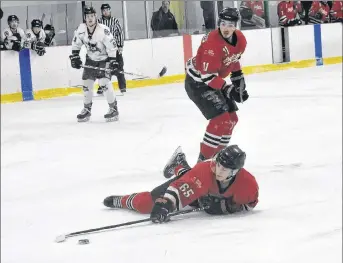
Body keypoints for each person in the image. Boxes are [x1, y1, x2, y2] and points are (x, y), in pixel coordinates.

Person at [103, 145, 259, 222]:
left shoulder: (248, 185)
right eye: (218, 164)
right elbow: (182, 187)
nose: (218, 170)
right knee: (146, 204)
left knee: (192, 178)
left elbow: (249, 204)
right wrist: (166, 204)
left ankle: (178, 164)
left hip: (201, 190)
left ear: (235, 172)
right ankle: (121, 200)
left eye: (224, 169)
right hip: (198, 186)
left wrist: (226, 207)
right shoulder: (205, 170)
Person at [184, 7, 248, 164]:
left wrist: (238, 78)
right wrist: (228, 89)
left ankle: (218, 157)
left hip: (214, 80)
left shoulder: (240, 39)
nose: (227, 28)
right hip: (198, 83)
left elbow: (234, 58)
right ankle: (203, 161)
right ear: (219, 23)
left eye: (231, 25)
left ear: (236, 26)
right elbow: (207, 77)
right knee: (220, 119)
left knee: (232, 119)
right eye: (224, 24)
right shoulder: (212, 44)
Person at [69, 6, 119, 122]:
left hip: (104, 60)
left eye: (92, 16)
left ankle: (113, 108)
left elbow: (112, 47)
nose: (90, 19)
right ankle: (87, 110)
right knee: (86, 84)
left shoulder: (103, 30)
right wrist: (75, 56)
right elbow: (76, 44)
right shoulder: (81, 29)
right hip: (90, 59)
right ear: (85, 18)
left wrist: (113, 61)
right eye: (87, 16)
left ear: (95, 16)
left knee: (104, 83)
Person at [97, 3, 126, 95]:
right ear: (102, 12)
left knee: (119, 66)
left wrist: (120, 46)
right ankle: (103, 87)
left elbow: (120, 33)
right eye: (104, 10)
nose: (106, 12)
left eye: (107, 10)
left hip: (115, 49)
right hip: (104, 50)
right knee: (104, 68)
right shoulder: (99, 22)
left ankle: (122, 87)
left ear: (110, 10)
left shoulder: (115, 21)